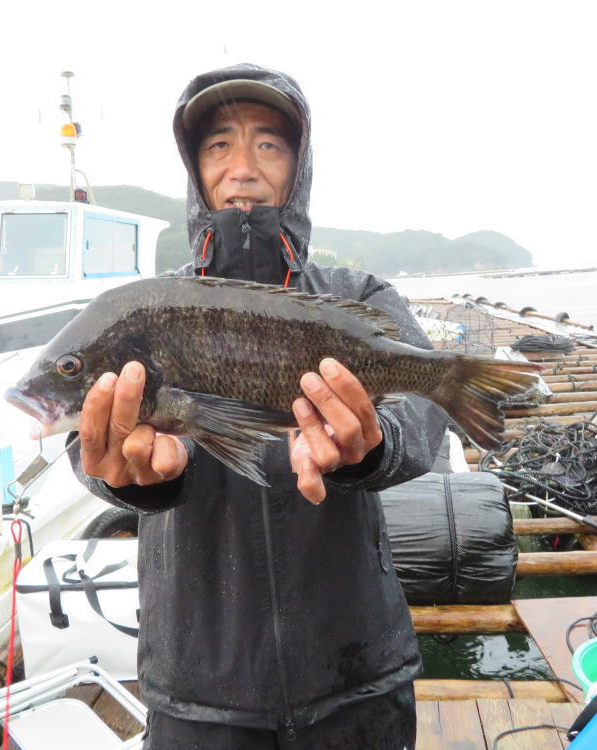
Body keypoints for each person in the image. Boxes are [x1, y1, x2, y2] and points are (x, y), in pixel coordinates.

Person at [69, 63, 448, 749]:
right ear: (194, 169)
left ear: (299, 167)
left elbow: (424, 414)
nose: (242, 167)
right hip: (198, 692)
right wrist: (125, 475)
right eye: (219, 144)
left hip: (357, 677)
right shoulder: (145, 310)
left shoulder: (358, 295)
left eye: (268, 144)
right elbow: (84, 444)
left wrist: (372, 447)